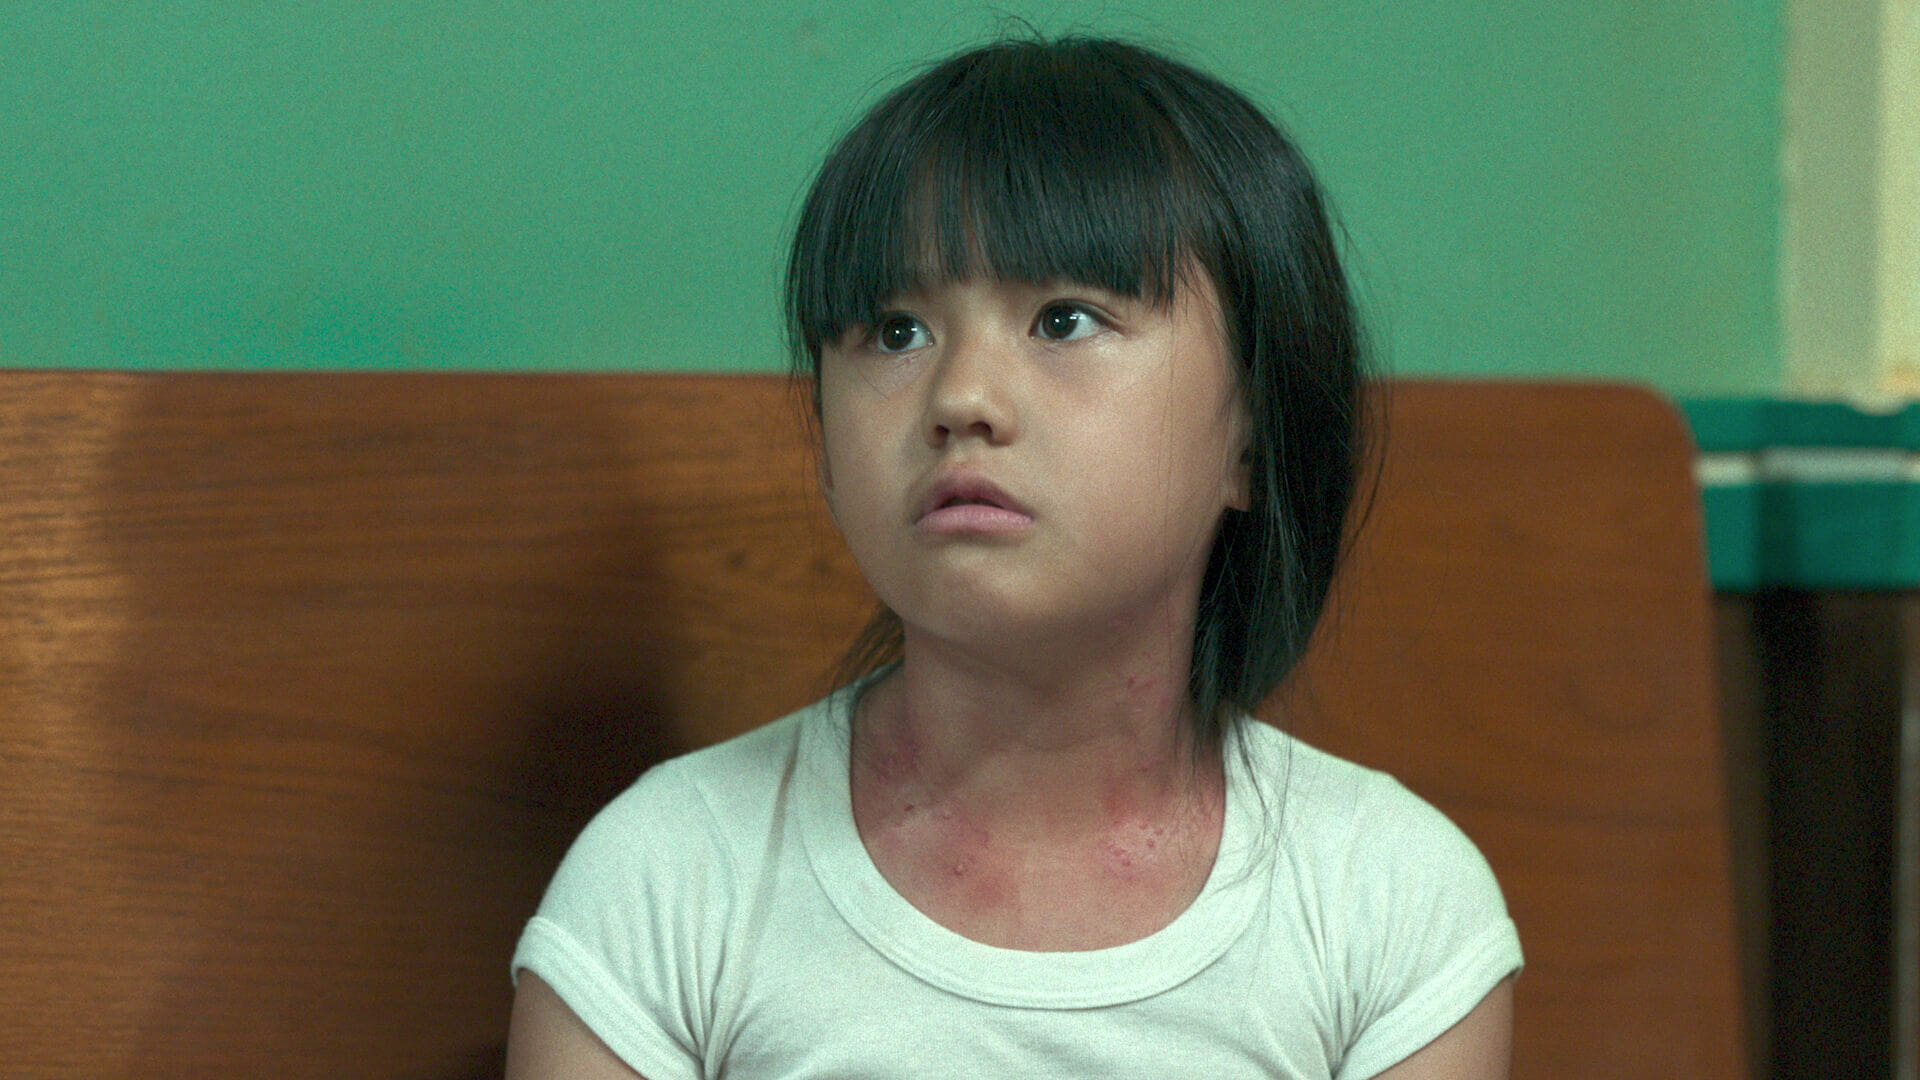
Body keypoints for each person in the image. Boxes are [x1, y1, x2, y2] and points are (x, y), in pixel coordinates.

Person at [506, 34, 1521, 1079]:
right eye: (895, 332)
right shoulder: (669, 877)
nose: (961, 398)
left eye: (1063, 320)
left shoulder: (1389, 903)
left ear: (1252, 440)